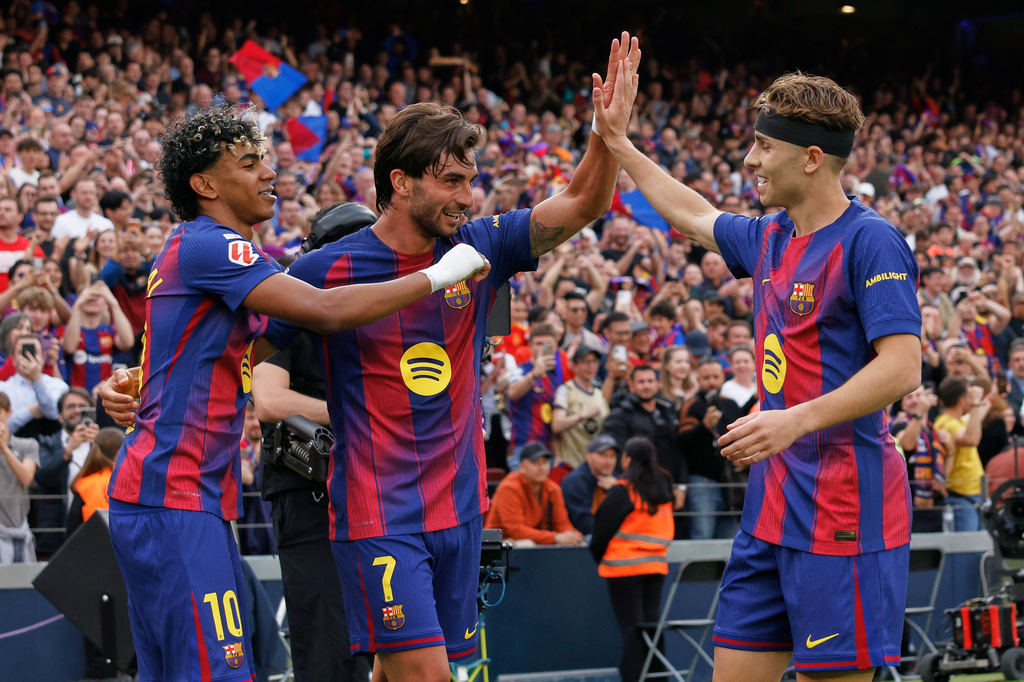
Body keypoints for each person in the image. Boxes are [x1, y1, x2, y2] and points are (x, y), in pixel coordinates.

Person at [254, 36, 640, 682]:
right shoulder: (323, 272)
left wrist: (605, 133)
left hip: (459, 514)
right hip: (377, 514)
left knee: (411, 673)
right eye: (452, 181)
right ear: (400, 183)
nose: (468, 197)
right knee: (427, 676)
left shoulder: (482, 249)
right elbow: (255, 357)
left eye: (472, 180)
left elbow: (583, 205)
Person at [97, 104, 491, 681]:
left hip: (184, 495)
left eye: (266, 159)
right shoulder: (212, 245)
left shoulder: (216, 255)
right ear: (204, 184)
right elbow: (324, 309)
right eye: (249, 161)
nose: (269, 171)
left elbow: (172, 353)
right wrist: (440, 274)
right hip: (172, 494)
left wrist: (125, 384)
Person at [595, 70, 922, 680]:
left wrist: (794, 420)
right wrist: (619, 142)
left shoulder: (872, 241)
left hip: (842, 508)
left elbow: (903, 368)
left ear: (812, 159)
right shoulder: (770, 236)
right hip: (769, 508)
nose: (749, 160)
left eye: (764, 146)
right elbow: (692, 214)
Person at [251, 202, 376, 682]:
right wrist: (360, 412)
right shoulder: (283, 312)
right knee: (329, 637)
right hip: (310, 490)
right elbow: (269, 400)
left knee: (393, 636)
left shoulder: (379, 315)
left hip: (374, 488)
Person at [590, 436, 675, 682]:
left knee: (632, 632)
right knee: (651, 629)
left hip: (622, 571)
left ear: (627, 459)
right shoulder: (663, 490)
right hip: (656, 567)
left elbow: (600, 534)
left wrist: (602, 558)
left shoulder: (622, 490)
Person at [678, 357, 745, 540]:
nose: (711, 382)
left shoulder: (730, 404)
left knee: (731, 539)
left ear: (723, 378)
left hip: (731, 483)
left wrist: (744, 461)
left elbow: (742, 435)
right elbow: (681, 442)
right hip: (702, 482)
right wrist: (704, 426)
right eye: (706, 378)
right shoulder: (692, 405)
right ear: (698, 379)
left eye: (715, 377)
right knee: (702, 537)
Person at [484, 441, 584, 546]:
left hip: (536, 541)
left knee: (578, 543)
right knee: (527, 544)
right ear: (522, 466)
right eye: (535, 463)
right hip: (499, 544)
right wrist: (555, 537)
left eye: (545, 463)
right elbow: (516, 530)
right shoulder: (509, 487)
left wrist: (574, 536)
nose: (541, 468)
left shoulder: (553, 489)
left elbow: (562, 523)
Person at [932, 377, 988, 532]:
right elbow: (972, 439)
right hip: (961, 498)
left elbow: (976, 419)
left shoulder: (956, 421)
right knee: (965, 551)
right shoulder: (945, 423)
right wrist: (976, 403)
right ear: (962, 401)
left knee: (978, 548)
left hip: (973, 496)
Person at [551, 344, 609, 470]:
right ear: (574, 365)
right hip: (571, 466)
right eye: (585, 361)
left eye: (594, 361)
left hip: (595, 467)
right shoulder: (566, 390)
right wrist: (583, 415)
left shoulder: (599, 394)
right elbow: (556, 425)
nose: (591, 366)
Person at [560, 433, 620, 536]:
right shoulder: (576, 482)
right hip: (577, 540)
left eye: (612, 456)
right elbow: (585, 525)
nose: (608, 461)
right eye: (602, 455)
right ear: (588, 457)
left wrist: (618, 491)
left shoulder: (616, 479)